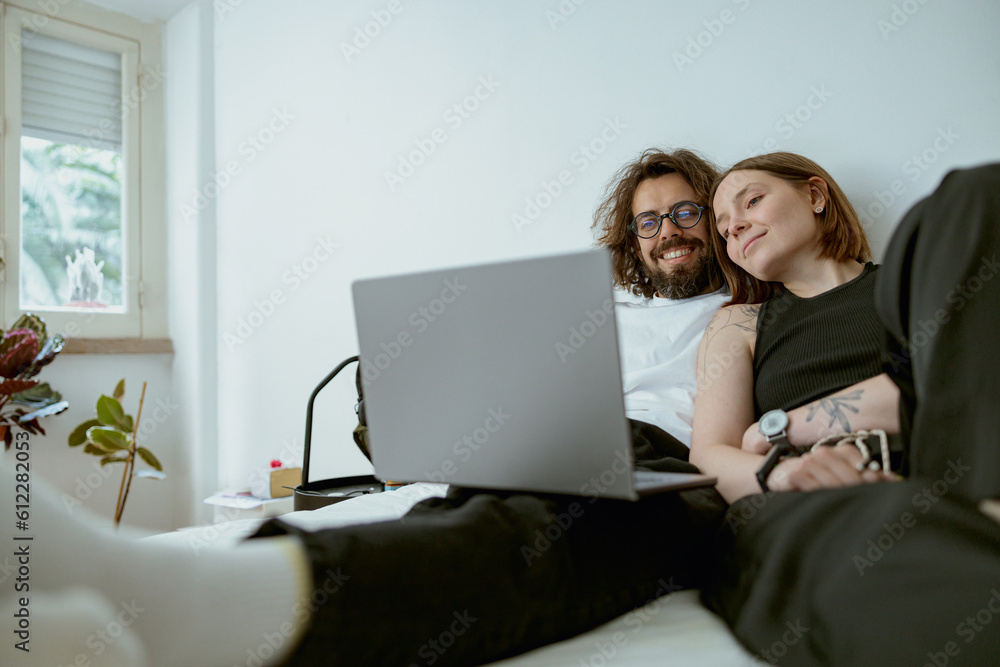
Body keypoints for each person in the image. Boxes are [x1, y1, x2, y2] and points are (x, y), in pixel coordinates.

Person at [1, 148, 732, 667]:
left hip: (659, 457)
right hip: (547, 435)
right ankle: (154, 590)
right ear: (631, 239)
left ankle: (186, 602)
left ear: (716, 220)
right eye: (648, 220)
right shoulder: (597, 304)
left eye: (685, 212)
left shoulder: (746, 311)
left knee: (527, 539)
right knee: (459, 517)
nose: (667, 229)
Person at [689, 152, 1000, 665]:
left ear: (815, 196)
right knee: (901, 554)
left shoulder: (912, 279)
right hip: (812, 498)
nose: (734, 227)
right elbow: (711, 454)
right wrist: (783, 473)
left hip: (947, 469)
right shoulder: (740, 324)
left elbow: (962, 382)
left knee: (973, 191)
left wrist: (785, 424)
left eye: (752, 201)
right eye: (723, 228)